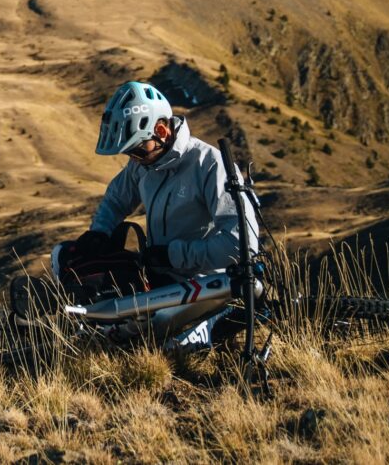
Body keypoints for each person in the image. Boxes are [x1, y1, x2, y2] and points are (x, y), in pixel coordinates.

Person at [51, 79, 258, 346]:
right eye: (130, 154)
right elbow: (117, 197)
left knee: (158, 344)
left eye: (138, 150)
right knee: (65, 255)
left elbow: (241, 246)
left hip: (201, 285)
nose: (135, 159)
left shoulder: (208, 165)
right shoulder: (145, 162)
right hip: (157, 276)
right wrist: (100, 231)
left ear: (161, 130)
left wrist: (173, 255)